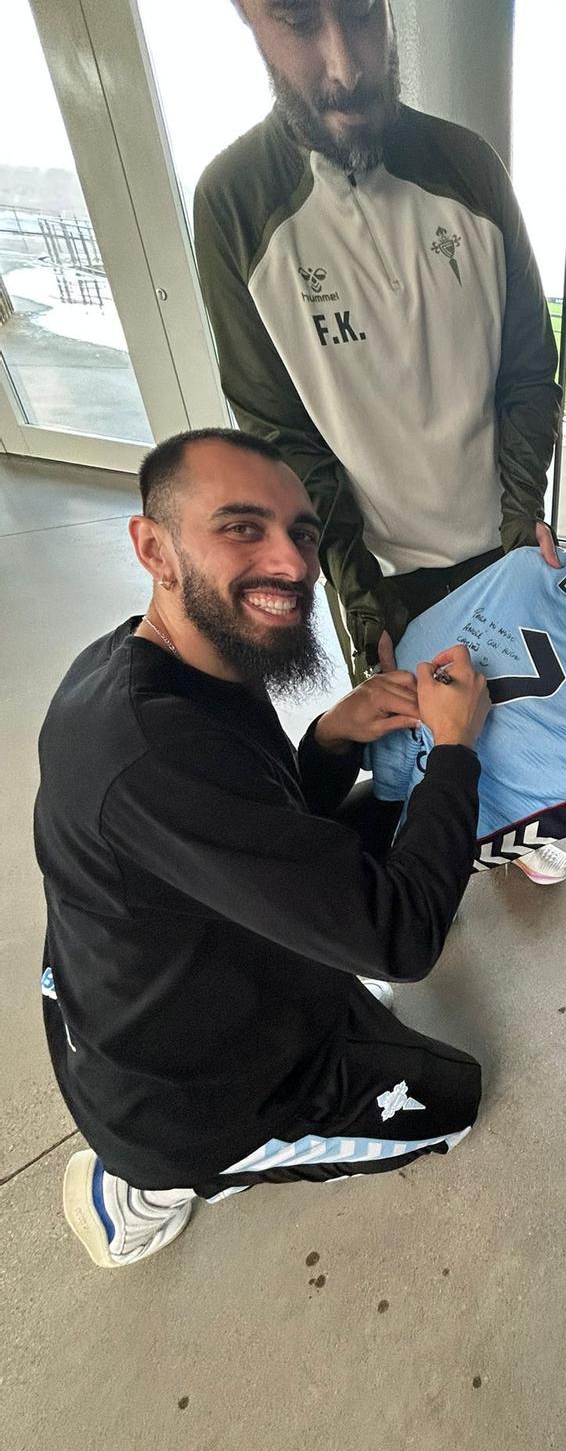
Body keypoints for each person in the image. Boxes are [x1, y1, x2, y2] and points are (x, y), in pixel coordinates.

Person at [36, 428, 491, 1267]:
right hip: (189, 1100)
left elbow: (255, 811)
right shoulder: (151, 751)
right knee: (454, 1100)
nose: (292, 564)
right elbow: (403, 941)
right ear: (154, 549)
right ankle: (145, 1188)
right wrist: (457, 752)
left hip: (180, 976)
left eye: (303, 534)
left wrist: (332, 736)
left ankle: (315, 997)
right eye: (242, 527)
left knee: (392, 819)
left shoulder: (165, 661)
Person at [192, 0, 566, 887]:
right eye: (297, 19)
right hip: (380, 568)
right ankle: (435, 861)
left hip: (498, 541)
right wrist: (360, 600)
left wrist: (519, 530)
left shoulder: (468, 167)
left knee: (516, 722)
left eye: (363, 8)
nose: (346, 64)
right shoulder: (234, 205)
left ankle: (511, 829)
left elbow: (529, 371)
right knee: (415, 745)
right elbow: (282, 441)